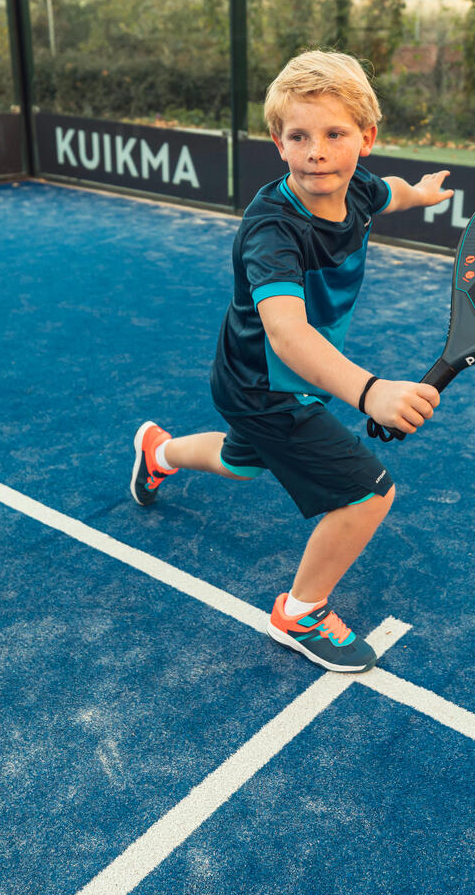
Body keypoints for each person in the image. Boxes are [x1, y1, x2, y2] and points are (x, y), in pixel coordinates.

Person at [131, 50, 453, 674]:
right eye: (299, 137)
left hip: (256, 377)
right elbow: (286, 333)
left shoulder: (358, 188)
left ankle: (158, 453)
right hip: (263, 385)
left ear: (366, 139)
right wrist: (370, 392)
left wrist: (420, 194)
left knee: (239, 462)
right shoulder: (272, 231)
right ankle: (300, 613)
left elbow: (387, 192)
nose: (317, 153)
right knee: (367, 495)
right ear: (278, 143)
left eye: (335, 135)